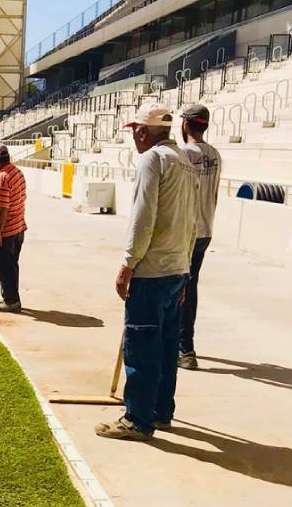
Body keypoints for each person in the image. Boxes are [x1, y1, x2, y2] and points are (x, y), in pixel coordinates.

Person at [96, 103, 198, 441]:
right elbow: (191, 222)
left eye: (134, 132)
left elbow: (143, 220)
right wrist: (185, 268)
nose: (134, 138)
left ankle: (138, 419)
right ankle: (160, 410)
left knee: (141, 345)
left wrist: (127, 264)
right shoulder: (183, 160)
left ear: (142, 132)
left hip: (152, 271)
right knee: (167, 346)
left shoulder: (152, 160)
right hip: (176, 269)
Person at [179, 104, 221, 370]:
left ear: (185, 124)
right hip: (205, 228)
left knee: (180, 289)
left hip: (186, 231)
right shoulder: (214, 154)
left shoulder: (184, 154)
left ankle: (185, 349)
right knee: (189, 286)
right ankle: (184, 345)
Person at [0, 143, 27, 313]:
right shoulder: (17, 172)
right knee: (12, 265)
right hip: (18, 228)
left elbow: (2, 208)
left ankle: (11, 301)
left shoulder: (2, 177)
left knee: (5, 267)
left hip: (7, 231)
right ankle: (11, 296)